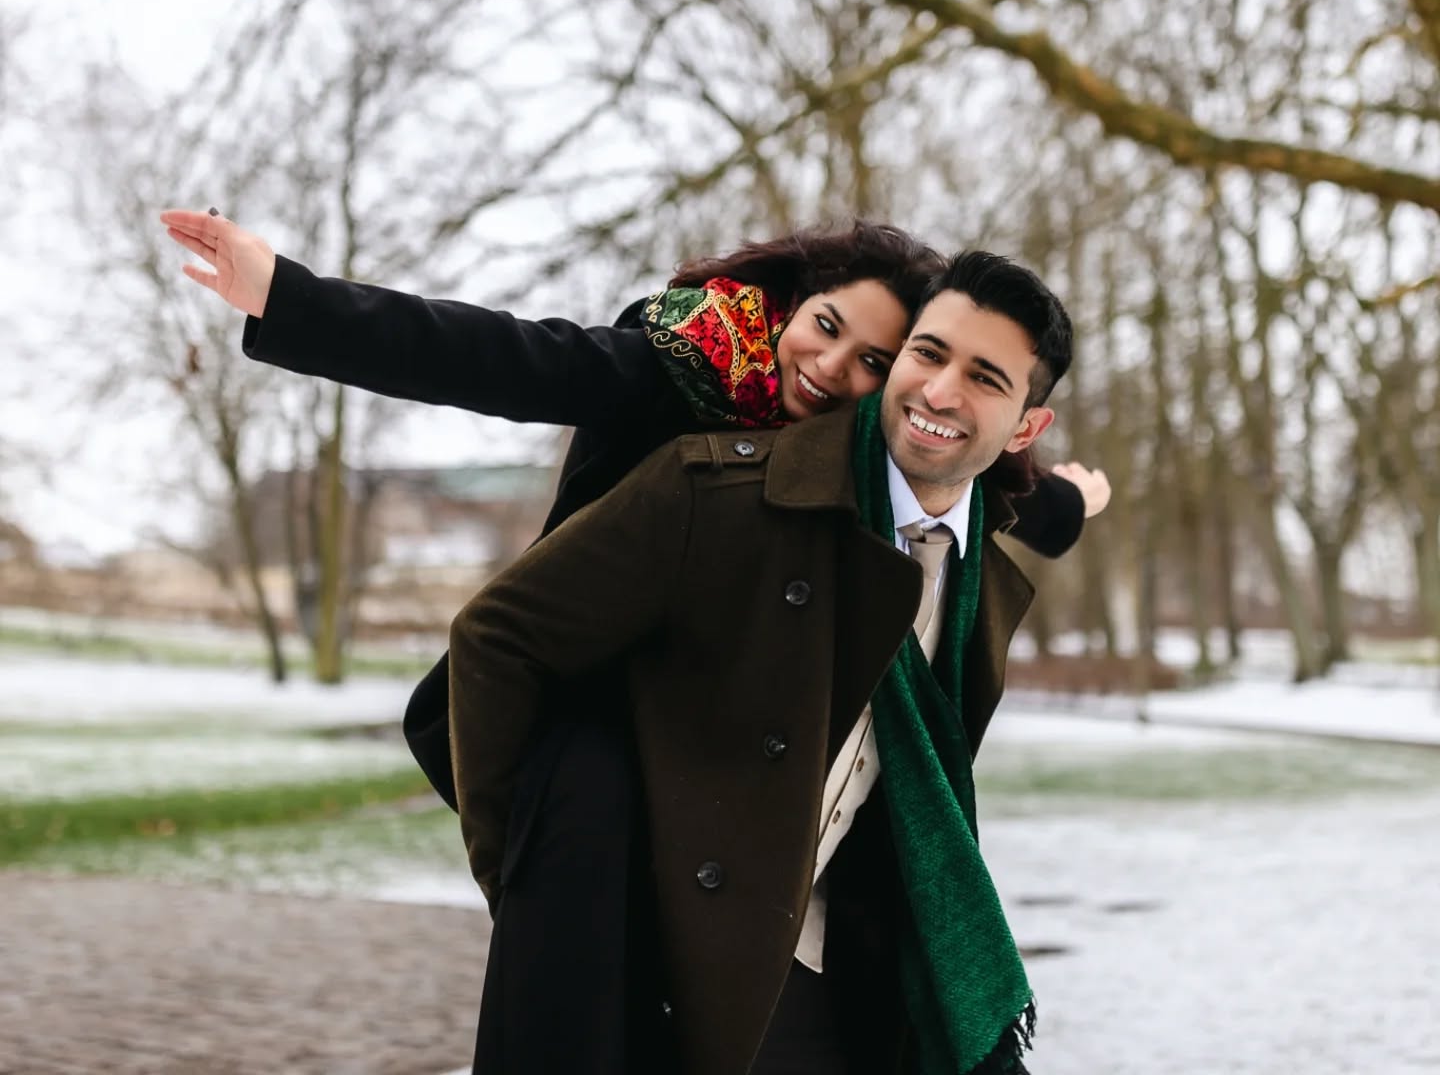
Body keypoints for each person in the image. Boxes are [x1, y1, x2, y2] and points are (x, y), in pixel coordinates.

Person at [159, 208, 1109, 1071]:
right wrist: (288, 297)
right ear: (790, 306)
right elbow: (495, 357)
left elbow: (989, 492)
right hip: (593, 726)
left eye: (871, 360)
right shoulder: (676, 371)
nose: (832, 369)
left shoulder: (868, 467)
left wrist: (1069, 501)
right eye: (826, 327)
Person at [449, 249, 1073, 1075]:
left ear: (1026, 426)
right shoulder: (716, 493)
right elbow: (496, 638)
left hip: (824, 983)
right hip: (641, 973)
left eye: (986, 378)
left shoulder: (979, 589)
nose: (941, 391)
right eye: (928, 353)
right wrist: (527, 880)